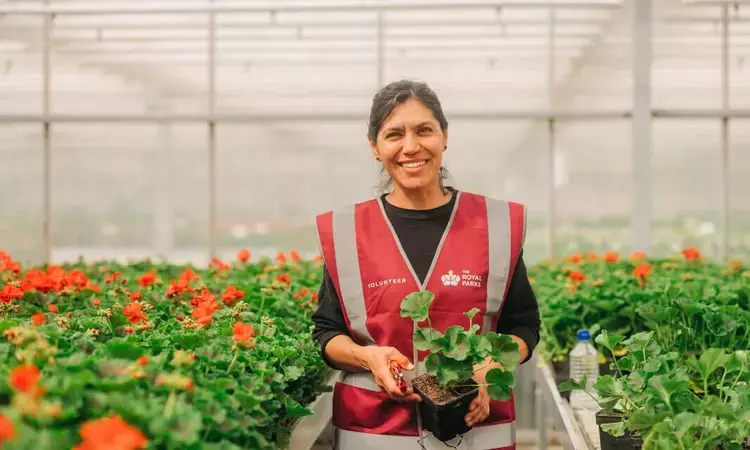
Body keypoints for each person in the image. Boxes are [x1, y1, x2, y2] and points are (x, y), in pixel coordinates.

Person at [311, 80, 541, 450]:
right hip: (374, 432)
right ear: (374, 147)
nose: (411, 147)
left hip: (477, 431)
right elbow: (327, 331)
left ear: (444, 137)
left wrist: (490, 368)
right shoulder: (347, 231)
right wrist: (367, 357)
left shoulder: (495, 223)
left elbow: (524, 325)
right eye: (394, 135)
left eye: (424, 131)